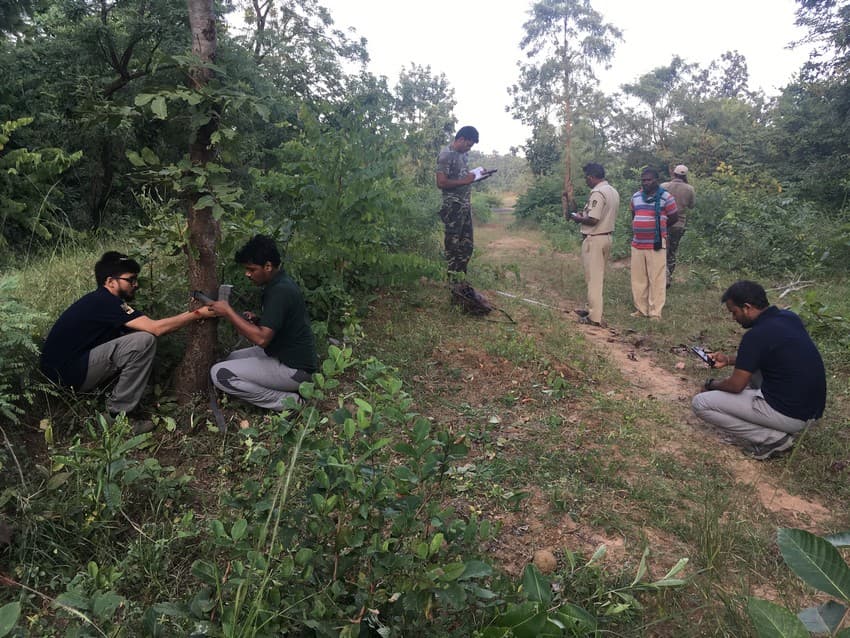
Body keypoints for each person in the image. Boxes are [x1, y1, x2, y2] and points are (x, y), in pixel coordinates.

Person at [40, 251, 215, 432]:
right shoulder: (104, 301)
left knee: (134, 338)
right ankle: (116, 418)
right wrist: (197, 314)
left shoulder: (101, 300)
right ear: (110, 282)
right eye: (130, 280)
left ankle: (116, 398)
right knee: (144, 341)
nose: (136, 284)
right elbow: (155, 328)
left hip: (64, 372)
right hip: (67, 375)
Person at [692, 280, 826, 460]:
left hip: (791, 416)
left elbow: (735, 386)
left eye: (734, 312)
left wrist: (711, 384)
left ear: (747, 307)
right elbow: (770, 356)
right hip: (810, 411)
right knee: (756, 371)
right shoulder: (788, 317)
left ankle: (774, 439)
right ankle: (773, 422)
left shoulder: (755, 336)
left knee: (701, 403)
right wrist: (730, 360)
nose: (734, 318)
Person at [208, 235, 317, 410]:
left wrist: (228, 312)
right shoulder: (279, 284)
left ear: (268, 266)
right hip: (284, 356)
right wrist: (259, 320)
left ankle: (289, 402)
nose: (247, 274)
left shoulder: (280, 291)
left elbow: (261, 339)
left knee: (220, 374)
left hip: (296, 370)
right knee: (230, 359)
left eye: (251, 269)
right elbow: (280, 325)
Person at [569, 162, 620, 327]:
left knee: (593, 279)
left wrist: (577, 218)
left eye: (586, 177)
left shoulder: (598, 193)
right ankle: (591, 308)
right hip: (606, 237)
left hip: (595, 238)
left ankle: (594, 317)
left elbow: (593, 219)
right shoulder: (612, 191)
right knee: (596, 276)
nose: (586, 181)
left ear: (591, 177)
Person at [629, 167, 678, 319]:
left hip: (656, 244)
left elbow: (674, 217)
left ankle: (655, 312)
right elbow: (634, 214)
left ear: (656, 180)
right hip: (638, 244)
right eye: (643, 180)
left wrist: (659, 227)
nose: (646, 183)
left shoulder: (666, 197)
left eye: (649, 179)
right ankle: (641, 309)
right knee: (638, 279)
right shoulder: (636, 196)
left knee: (656, 279)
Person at [435, 126, 481, 289]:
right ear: (460, 139)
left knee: (466, 245)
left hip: (464, 206)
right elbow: (441, 183)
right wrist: (466, 181)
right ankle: (453, 283)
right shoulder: (446, 155)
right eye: (468, 145)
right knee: (453, 247)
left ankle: (461, 280)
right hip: (453, 207)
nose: (469, 148)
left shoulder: (463, 155)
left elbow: (462, 176)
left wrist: (476, 177)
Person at [660, 164, 695, 287]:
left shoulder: (664, 186)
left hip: (663, 222)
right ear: (685, 175)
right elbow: (691, 206)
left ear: (674, 173)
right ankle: (668, 276)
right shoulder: (689, 189)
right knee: (672, 251)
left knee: (662, 249)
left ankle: (663, 276)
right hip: (679, 224)